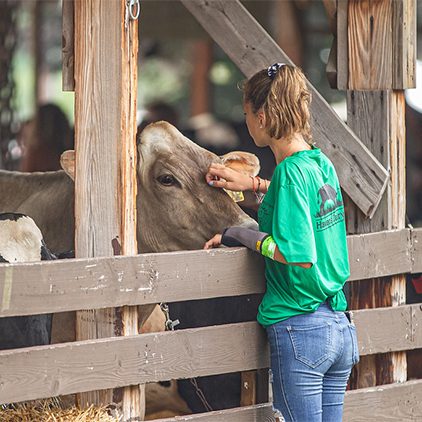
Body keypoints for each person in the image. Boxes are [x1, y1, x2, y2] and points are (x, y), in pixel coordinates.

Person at [204, 63, 359, 422]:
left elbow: (296, 253)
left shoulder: (289, 172)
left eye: (246, 114)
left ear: (263, 117)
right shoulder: (319, 163)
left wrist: (236, 234)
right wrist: (253, 185)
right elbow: (301, 204)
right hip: (338, 326)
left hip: (301, 330)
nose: (245, 122)